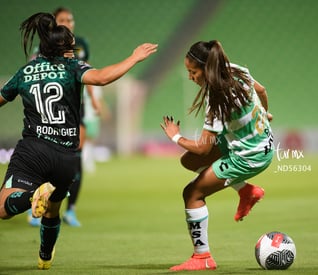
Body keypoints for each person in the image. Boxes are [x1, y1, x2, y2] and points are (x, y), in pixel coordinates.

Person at [0, 12, 157, 270]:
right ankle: (45, 256)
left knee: (4, 207)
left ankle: (30, 199)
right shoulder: (73, 68)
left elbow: (1, 98)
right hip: (67, 157)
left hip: (33, 150)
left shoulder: (26, 71)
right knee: (52, 209)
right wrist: (134, 56)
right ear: (65, 50)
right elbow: (103, 77)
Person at [161, 40, 274, 271]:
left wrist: (175, 137)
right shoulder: (235, 70)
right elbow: (261, 91)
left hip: (248, 156)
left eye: (193, 72)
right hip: (260, 142)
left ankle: (202, 258)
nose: (191, 77)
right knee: (189, 161)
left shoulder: (218, 99)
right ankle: (246, 190)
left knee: (192, 193)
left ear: (206, 68)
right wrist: (265, 113)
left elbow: (203, 147)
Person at [26, 6, 99, 227]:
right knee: (48, 157)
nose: (67, 22)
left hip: (77, 109)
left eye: (70, 19)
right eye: (63, 19)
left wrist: (93, 99)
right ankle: (38, 203)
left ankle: (71, 210)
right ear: (54, 24)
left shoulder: (81, 45)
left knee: (75, 157)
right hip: (52, 110)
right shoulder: (42, 49)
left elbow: (87, 72)